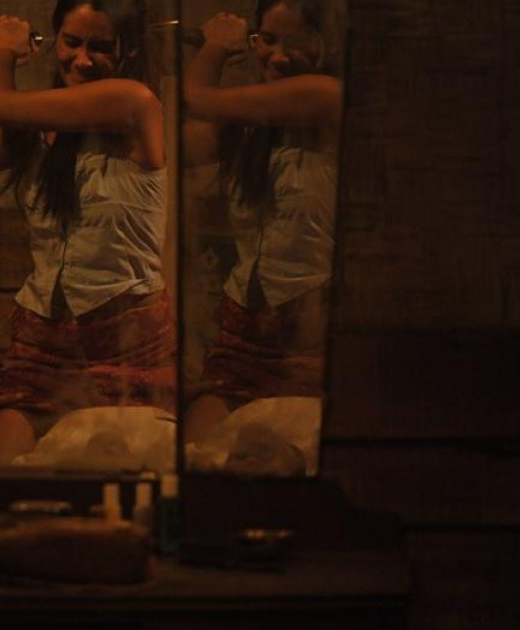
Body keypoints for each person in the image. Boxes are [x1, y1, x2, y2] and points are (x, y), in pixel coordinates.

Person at [0, 0, 177, 465]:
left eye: (100, 47)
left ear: (129, 51)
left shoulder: (136, 103)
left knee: (105, 462)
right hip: (40, 349)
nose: (83, 60)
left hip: (126, 344)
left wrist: (4, 52)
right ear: (55, 42)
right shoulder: (36, 134)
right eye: (72, 43)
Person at [180, 0, 345, 452]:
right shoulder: (248, 126)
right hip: (243, 331)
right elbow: (178, 142)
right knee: (201, 453)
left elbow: (199, 97)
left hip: (309, 331)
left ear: (325, 44)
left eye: (296, 43)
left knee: (281, 457)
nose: (278, 56)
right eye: (267, 39)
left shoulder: (327, 95)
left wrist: (214, 47)